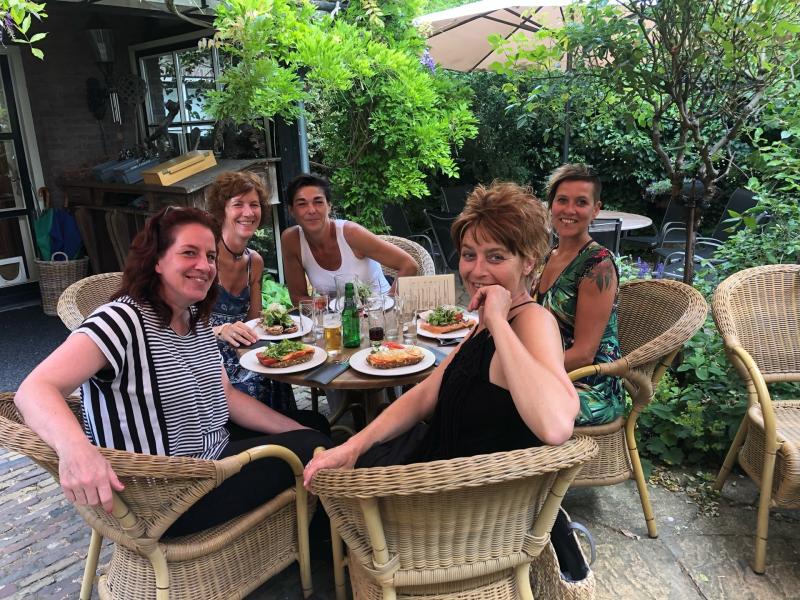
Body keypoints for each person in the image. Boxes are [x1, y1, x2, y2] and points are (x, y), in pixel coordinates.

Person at [14, 206, 330, 536]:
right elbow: (34, 389)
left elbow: (227, 396)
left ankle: (308, 535)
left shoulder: (194, 318)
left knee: (315, 425)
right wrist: (76, 451)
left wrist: (297, 429)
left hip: (209, 460)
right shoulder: (121, 320)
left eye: (210, 256)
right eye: (189, 253)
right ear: (157, 260)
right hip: (167, 494)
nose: (204, 266)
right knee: (315, 447)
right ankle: (324, 548)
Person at [303, 181, 579, 483]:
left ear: (528, 263)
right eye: (469, 255)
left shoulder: (532, 321)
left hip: (456, 497)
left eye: (496, 257)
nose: (477, 270)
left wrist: (498, 322)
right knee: (343, 458)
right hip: (437, 466)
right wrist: (353, 447)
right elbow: (425, 394)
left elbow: (555, 427)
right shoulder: (485, 323)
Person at [533, 163, 623, 426]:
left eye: (581, 202)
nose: (569, 210)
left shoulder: (598, 265)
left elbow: (584, 354)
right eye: (562, 200)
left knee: (501, 403)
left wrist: (525, 371)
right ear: (552, 205)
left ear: (595, 209)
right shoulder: (549, 256)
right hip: (552, 372)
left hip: (589, 386)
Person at [206, 171, 295, 413]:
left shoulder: (254, 261)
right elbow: (180, 327)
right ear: (222, 210)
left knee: (280, 371)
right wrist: (221, 330)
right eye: (238, 204)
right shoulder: (205, 258)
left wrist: (279, 323)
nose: (248, 212)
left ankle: (292, 432)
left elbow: (253, 323)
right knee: (256, 384)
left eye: (254, 205)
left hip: (242, 351)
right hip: (207, 357)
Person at [281, 173, 418, 304]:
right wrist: (324, 309)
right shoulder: (291, 241)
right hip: (335, 317)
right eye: (302, 204)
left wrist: (389, 305)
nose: (311, 210)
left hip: (378, 312)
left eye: (318, 202)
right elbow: (298, 297)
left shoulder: (351, 234)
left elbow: (409, 265)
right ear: (291, 210)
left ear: (329, 206)